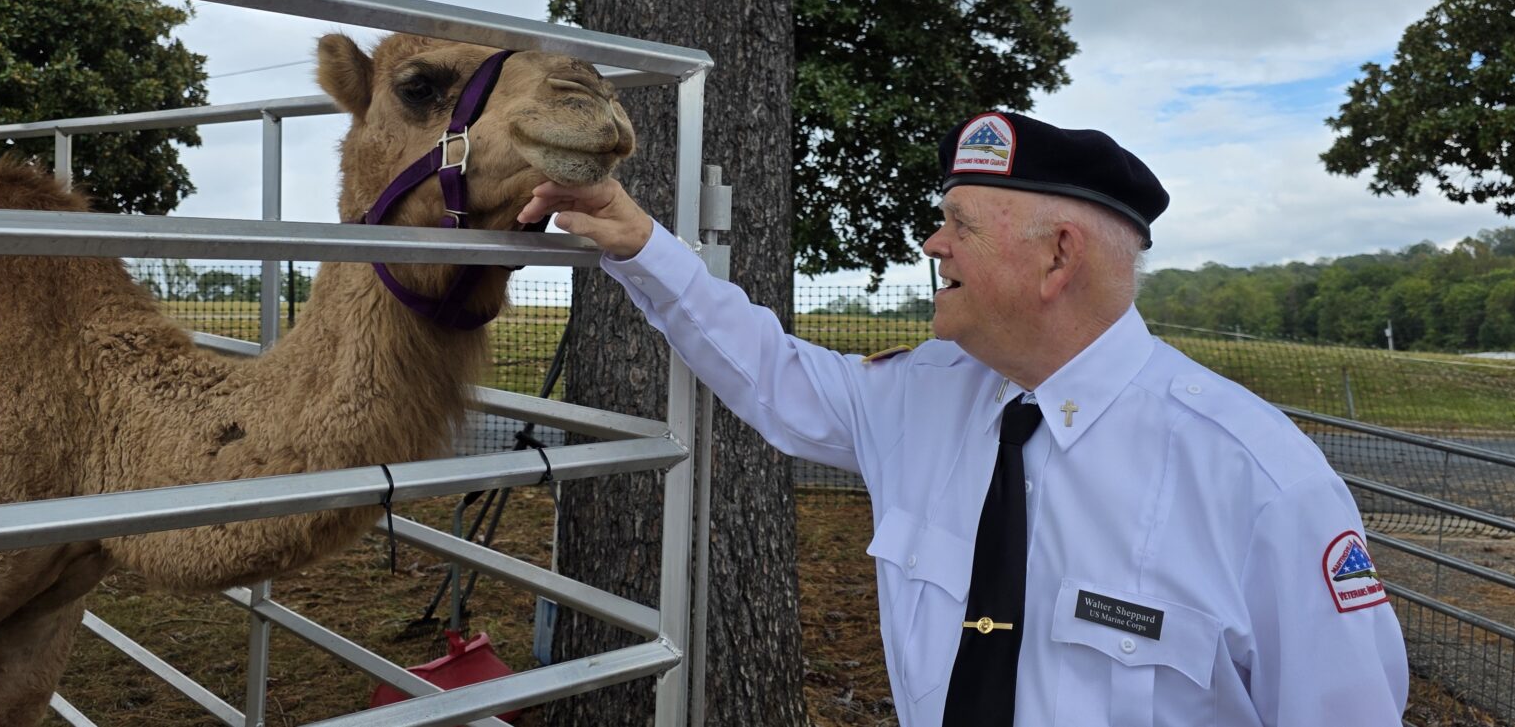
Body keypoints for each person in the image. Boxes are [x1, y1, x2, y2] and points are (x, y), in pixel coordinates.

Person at [518, 110, 1408, 726]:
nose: (932, 244)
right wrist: (641, 245)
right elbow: (769, 371)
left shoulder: (1260, 482)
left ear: (1060, 256)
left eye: (959, 225)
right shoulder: (924, 395)